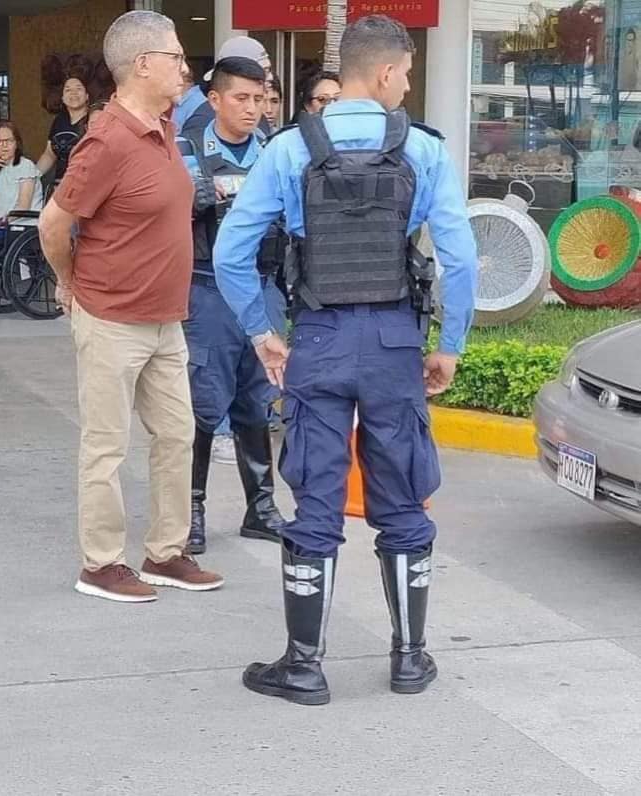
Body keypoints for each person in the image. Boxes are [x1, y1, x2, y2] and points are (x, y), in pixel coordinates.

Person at [213, 14, 477, 705]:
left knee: (315, 501)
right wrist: (448, 347)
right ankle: (411, 659)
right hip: (394, 344)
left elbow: (229, 254)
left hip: (320, 342)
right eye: (409, 72)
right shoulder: (422, 149)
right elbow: (462, 259)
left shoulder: (289, 148)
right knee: (402, 497)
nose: (410, 83)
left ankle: (304, 666)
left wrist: (260, 332)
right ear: (386, 72)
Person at [38, 10, 223, 603]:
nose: (184, 68)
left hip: (166, 319)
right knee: (106, 444)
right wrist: (68, 283)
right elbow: (53, 223)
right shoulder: (109, 138)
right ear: (143, 66)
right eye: (174, 58)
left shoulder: (163, 127)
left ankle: (166, 553)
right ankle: (101, 564)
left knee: (176, 436)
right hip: (112, 317)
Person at [177, 57, 287, 557]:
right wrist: (188, 198)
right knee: (203, 403)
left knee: (256, 400)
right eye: (241, 98)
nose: (253, 109)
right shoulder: (188, 150)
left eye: (260, 99)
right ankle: (191, 511)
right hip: (208, 290)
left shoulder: (274, 152)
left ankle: (260, 509)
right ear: (215, 99)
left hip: (262, 287)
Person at [36, 76, 90, 182]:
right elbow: (50, 154)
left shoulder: (94, 118)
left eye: (78, 88)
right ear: (63, 98)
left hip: (86, 184)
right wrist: (33, 176)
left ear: (87, 96)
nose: (73, 93)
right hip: (60, 184)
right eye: (68, 90)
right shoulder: (59, 120)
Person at [0, 122, 43, 224]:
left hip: (22, 225)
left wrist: (0, 223)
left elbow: (23, 206)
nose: (4, 145)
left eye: (9, 141)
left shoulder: (26, 166)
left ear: (16, 144)